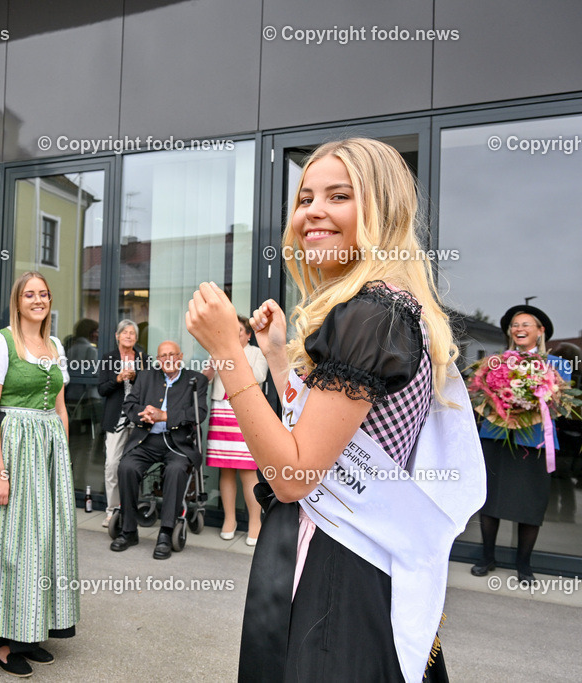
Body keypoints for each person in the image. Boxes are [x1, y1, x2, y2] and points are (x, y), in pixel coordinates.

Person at [186, 138, 485, 682]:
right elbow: (327, 435)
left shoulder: (368, 314)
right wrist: (277, 357)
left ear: (381, 209)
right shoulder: (393, 305)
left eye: (338, 195)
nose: (312, 212)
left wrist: (228, 354)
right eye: (305, 197)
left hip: (340, 560)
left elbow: (295, 475)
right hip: (366, 554)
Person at [0, 271, 78, 677]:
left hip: (47, 448)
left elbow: (61, 408)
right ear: (17, 301)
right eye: (29, 294)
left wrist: (62, 460)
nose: (38, 300)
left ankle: (29, 633)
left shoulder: (54, 345)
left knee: (46, 539)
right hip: (13, 446)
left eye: (44, 294)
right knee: (11, 544)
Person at [471, 304, 572, 584]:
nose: (519, 329)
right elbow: (480, 396)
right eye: (515, 325)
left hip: (534, 442)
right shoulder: (493, 362)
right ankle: (486, 557)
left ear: (540, 331)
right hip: (496, 438)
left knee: (530, 505)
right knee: (491, 501)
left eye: (526, 324)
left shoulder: (557, 366)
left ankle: (524, 565)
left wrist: (528, 398)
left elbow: (560, 405)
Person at [109, 341, 208, 559]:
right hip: (147, 440)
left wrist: (165, 416)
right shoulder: (145, 377)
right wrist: (142, 413)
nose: (168, 359)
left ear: (180, 356)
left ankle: (165, 532)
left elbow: (199, 413)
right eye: (163, 356)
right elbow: (129, 405)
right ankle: (128, 530)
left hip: (178, 443)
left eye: (172, 354)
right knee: (126, 467)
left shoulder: (196, 380)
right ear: (158, 359)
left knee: (175, 470)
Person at [204, 315, 268, 545]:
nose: (235, 335)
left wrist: (234, 357)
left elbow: (260, 376)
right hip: (221, 413)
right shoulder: (217, 352)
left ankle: (255, 522)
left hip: (245, 413)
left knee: (248, 471)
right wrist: (214, 360)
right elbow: (206, 379)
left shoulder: (256, 353)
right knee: (226, 470)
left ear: (248, 334)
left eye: (239, 331)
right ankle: (229, 520)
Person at [96, 319, 148, 528]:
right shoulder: (108, 358)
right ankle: (112, 511)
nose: (128, 336)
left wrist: (136, 377)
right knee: (112, 465)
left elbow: (148, 387)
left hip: (136, 418)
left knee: (135, 466)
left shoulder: (143, 359)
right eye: (125, 333)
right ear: (117, 336)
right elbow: (101, 389)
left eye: (132, 333)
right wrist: (117, 379)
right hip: (116, 418)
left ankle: (132, 510)